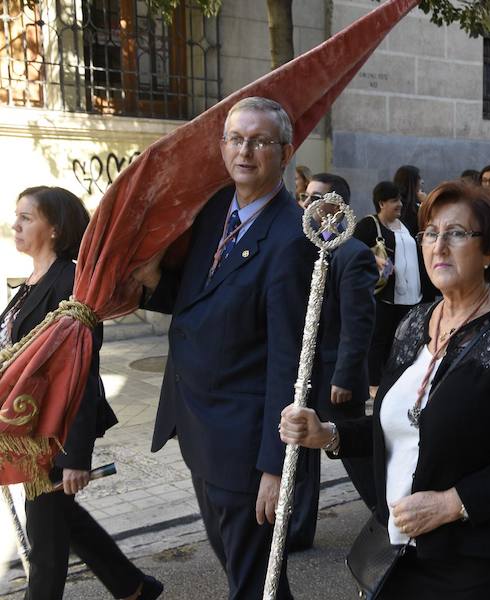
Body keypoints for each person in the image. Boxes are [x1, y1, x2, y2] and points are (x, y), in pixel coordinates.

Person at [280, 181, 490, 598]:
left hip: (478, 563)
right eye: (431, 233)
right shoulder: (415, 323)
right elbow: (401, 427)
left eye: (456, 234)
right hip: (398, 554)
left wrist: (452, 503)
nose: (439, 246)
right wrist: (329, 433)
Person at [132, 97, 316, 600]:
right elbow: (202, 301)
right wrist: (152, 284)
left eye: (259, 141)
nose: (245, 150)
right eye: (235, 138)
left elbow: (291, 363)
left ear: (285, 151)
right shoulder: (215, 210)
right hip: (199, 432)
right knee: (252, 577)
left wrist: (276, 466)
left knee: (256, 581)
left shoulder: (291, 238)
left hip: (243, 448)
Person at [2, 186, 163, 600]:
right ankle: (134, 588)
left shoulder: (73, 283)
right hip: (29, 431)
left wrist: (76, 456)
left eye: (26, 217)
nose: (14, 224)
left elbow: (82, 374)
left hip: (54, 437)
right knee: (62, 523)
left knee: (46, 549)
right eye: (16, 216)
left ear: (54, 228)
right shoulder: (27, 285)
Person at [289, 172, 378, 551]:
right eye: (304, 196)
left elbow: (358, 324)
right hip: (304, 376)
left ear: (337, 203)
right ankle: (298, 529)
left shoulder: (354, 253)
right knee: (301, 455)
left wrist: (343, 377)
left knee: (355, 455)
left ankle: (390, 512)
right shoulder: (306, 247)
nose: (307, 203)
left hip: (335, 380)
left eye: (315, 197)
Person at [354, 181, 435, 398]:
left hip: (412, 296)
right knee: (379, 339)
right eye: (394, 201)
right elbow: (351, 248)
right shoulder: (369, 225)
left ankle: (397, 380)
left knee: (402, 341)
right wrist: (374, 258)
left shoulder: (405, 224)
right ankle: (373, 383)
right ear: (381, 203)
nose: (399, 204)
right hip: (385, 296)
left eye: (399, 199)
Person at [395, 165, 425, 235]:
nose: (422, 182)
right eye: (419, 179)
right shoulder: (405, 207)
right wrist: (426, 203)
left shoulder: (414, 204)